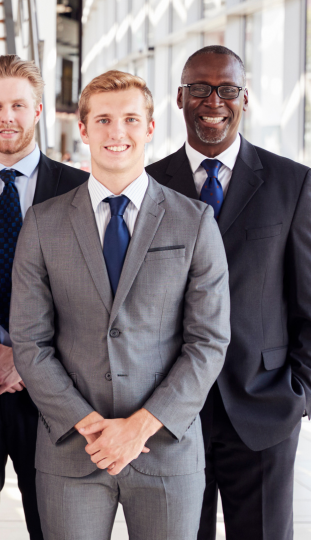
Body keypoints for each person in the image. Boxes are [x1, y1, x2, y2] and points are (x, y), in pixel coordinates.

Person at [10, 70, 230, 540]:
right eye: (104, 120)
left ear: (150, 128)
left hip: (166, 449)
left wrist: (138, 429)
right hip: (73, 449)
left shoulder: (194, 222)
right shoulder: (43, 223)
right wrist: (90, 425)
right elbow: (30, 342)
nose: (117, 132)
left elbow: (208, 342)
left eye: (131, 119)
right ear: (84, 130)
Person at [146, 45, 311, 540]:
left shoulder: (292, 184)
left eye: (227, 89)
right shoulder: (150, 186)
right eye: (199, 88)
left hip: (263, 412)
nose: (212, 100)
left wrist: (298, 394)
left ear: (245, 98)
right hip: (170, 414)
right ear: (179, 97)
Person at [0, 55, 88, 540]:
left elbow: (89, 296)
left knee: (54, 527)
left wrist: (23, 360)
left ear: (39, 110)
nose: (7, 116)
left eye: (18, 105)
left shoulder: (80, 189)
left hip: (51, 393)